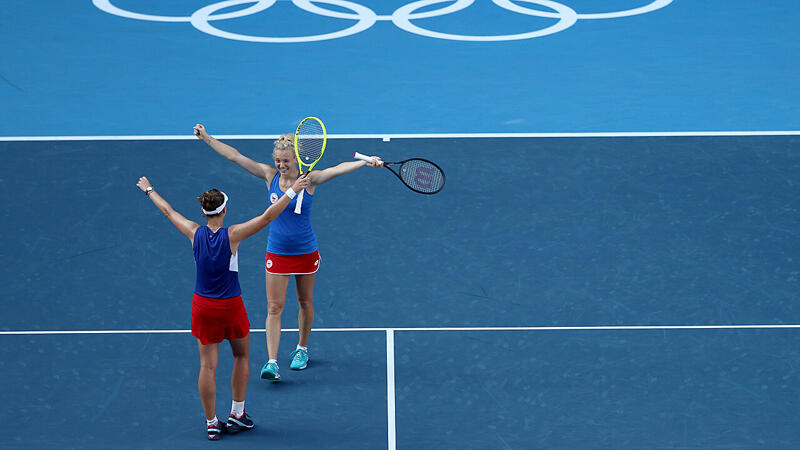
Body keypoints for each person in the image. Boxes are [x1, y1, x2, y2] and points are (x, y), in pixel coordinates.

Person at [193, 124, 383, 381]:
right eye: (277, 160)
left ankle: (301, 349)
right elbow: (235, 155)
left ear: (296, 159)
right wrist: (207, 138)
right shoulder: (268, 176)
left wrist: (364, 163)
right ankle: (272, 362)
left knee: (305, 302)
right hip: (277, 252)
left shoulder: (310, 179)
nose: (280, 165)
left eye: (285, 160)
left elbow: (336, 169)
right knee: (274, 307)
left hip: (306, 251)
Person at [136, 174, 308, 440]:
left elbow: (168, 211)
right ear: (224, 210)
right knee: (241, 356)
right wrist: (292, 191)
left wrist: (149, 189)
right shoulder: (233, 235)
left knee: (207, 366)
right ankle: (237, 413)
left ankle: (212, 422)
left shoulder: (193, 232)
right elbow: (266, 217)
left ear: (204, 212)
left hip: (202, 307)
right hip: (231, 307)